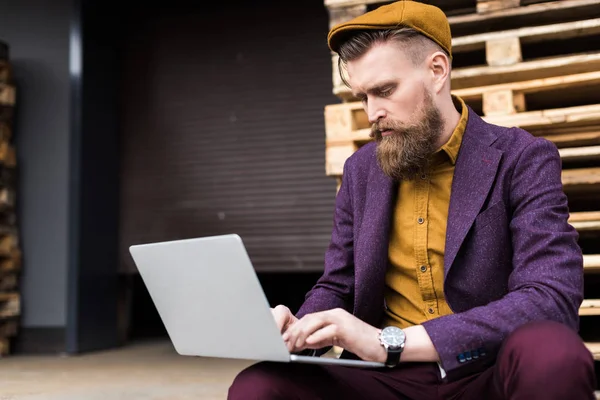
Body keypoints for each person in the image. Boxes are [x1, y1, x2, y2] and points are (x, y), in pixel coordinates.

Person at [228, 1, 596, 398]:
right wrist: (298, 327)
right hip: (385, 379)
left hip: (486, 367)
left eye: (384, 91)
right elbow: (339, 284)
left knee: (554, 354)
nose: (372, 113)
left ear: (437, 70)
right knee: (259, 384)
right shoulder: (360, 170)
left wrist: (391, 342)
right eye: (362, 97)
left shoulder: (522, 157)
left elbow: (549, 297)